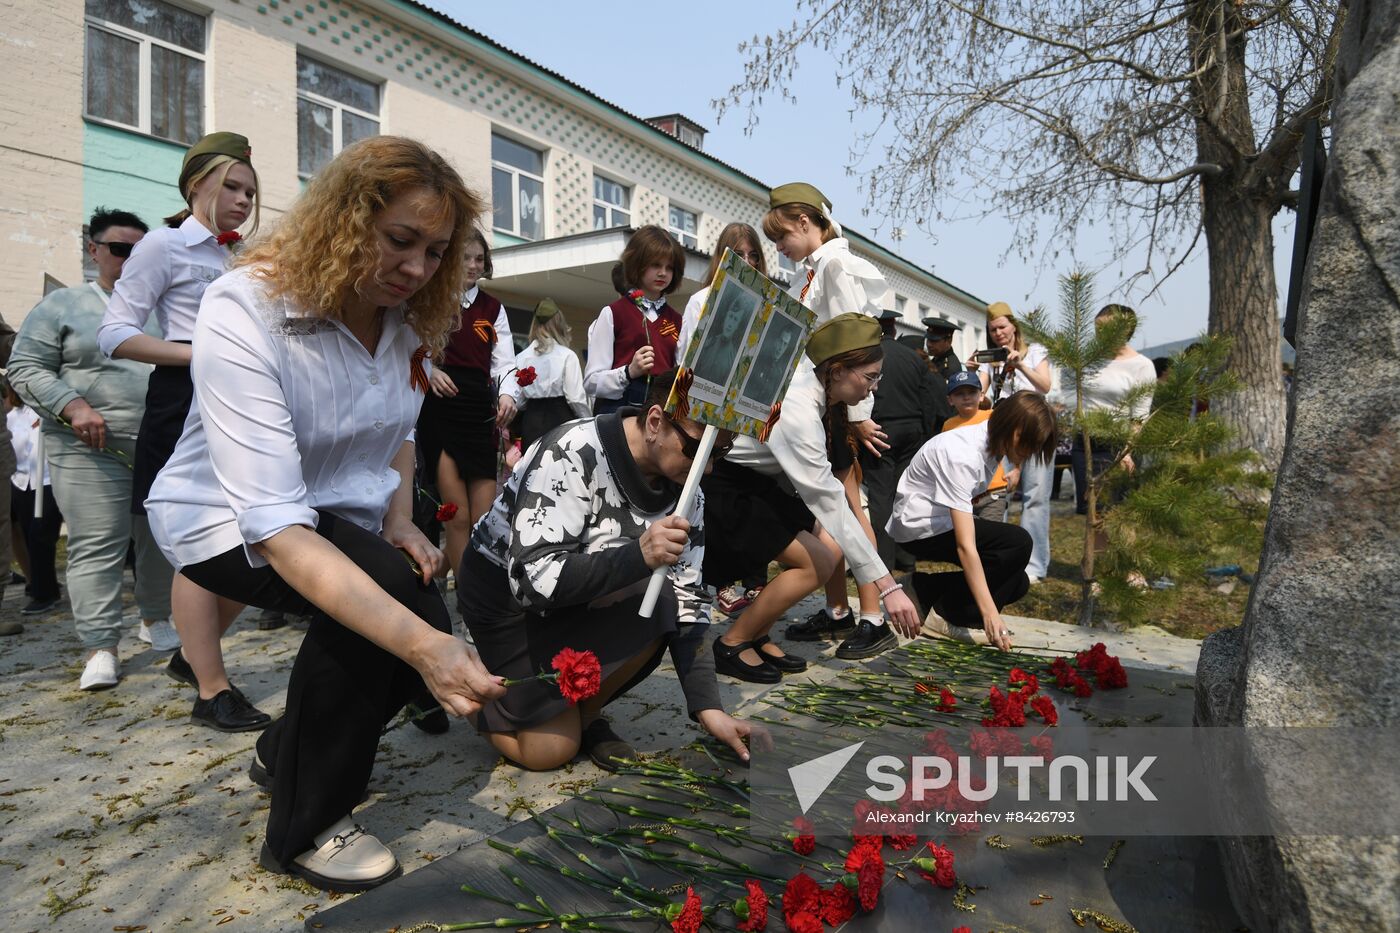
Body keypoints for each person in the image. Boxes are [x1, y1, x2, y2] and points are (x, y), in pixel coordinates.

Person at [144, 136, 504, 893]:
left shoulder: (406, 320)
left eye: (438, 251)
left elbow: (398, 432)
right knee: (389, 617)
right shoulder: (245, 308)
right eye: (399, 240)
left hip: (339, 512)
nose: (417, 269)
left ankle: (285, 747)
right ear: (342, 220)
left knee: (402, 588)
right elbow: (275, 526)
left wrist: (402, 519)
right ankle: (306, 824)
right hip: (222, 516)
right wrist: (426, 647)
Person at [461, 370, 760, 771]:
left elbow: (690, 601)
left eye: (718, 455)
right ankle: (460, 689)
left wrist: (707, 707)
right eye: (697, 450)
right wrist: (638, 555)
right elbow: (530, 582)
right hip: (506, 605)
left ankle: (588, 716)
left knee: (662, 600)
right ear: (655, 421)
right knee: (549, 753)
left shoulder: (689, 495)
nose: (705, 470)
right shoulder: (572, 450)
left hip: (579, 600)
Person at [96, 131, 269, 731]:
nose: (245, 201)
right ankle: (210, 689)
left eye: (251, 190)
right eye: (233, 187)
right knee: (200, 542)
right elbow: (115, 334)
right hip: (183, 396)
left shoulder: (244, 258)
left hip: (242, 401)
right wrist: (197, 356)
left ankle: (190, 657)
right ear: (197, 184)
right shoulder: (163, 246)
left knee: (257, 533)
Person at [705, 314, 921, 681]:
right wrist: (888, 586)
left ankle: (757, 634)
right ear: (837, 371)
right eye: (870, 377)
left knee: (826, 553)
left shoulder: (817, 386)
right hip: (729, 486)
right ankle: (732, 644)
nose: (875, 387)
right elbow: (829, 500)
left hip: (761, 483)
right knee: (815, 563)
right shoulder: (797, 409)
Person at [7, 207, 176, 675]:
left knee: (159, 539)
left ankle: (155, 617)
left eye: (141, 250)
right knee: (98, 542)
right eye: (120, 249)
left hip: (160, 442)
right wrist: (72, 405)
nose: (130, 258)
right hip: (88, 445)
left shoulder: (166, 307)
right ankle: (101, 646)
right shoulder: (64, 305)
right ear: (94, 250)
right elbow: (24, 367)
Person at [764, 183, 894, 648]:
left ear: (805, 222)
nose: (779, 248)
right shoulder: (818, 267)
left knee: (849, 508)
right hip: (824, 400)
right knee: (825, 513)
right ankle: (838, 609)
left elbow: (854, 343)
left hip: (839, 402)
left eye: (782, 236)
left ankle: (875, 616)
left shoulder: (836, 265)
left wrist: (857, 414)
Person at [889, 391, 1058, 651]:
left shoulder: (993, 443)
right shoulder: (962, 454)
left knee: (1017, 583)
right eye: (1028, 444)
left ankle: (922, 589)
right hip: (921, 526)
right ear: (1012, 428)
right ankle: (948, 617)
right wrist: (990, 613)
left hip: (941, 520)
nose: (1028, 454)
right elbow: (965, 546)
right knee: (1017, 542)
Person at [677, 222, 769, 617]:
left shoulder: (768, 303)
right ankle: (714, 584)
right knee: (713, 501)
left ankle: (755, 585)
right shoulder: (702, 300)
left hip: (751, 418)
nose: (747, 262)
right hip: (709, 414)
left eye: (754, 256)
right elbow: (686, 361)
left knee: (754, 500)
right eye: (738, 255)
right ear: (721, 258)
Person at [417, 229, 519, 581]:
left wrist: (508, 394)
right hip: (441, 407)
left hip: (479, 411)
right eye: (465, 258)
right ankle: (467, 595)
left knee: (484, 517)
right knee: (456, 515)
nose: (473, 265)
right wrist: (428, 370)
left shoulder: (494, 308)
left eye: (479, 259)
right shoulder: (430, 297)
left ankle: (480, 586)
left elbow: (504, 363)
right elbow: (406, 348)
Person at [860, 309, 948, 573]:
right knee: (905, 496)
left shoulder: (869, 357)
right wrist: (924, 433)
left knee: (881, 498)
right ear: (893, 329)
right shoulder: (913, 358)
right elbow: (929, 399)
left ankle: (883, 563)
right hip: (911, 432)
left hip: (880, 431)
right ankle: (907, 558)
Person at [975, 302, 1054, 583]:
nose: (998, 333)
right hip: (1004, 431)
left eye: (1002, 327)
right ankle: (1004, 559)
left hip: (1034, 429)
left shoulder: (1035, 353)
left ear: (1014, 326)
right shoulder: (991, 359)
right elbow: (981, 396)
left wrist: (1019, 364)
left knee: (1036, 496)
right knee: (998, 495)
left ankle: (1034, 565)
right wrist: (973, 377)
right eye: (992, 329)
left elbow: (1045, 386)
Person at [584, 226, 685, 414]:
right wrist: (629, 372)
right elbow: (591, 382)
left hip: (660, 413)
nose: (663, 273)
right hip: (619, 413)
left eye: (669, 267)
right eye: (656, 264)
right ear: (637, 263)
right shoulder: (613, 313)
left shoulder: (678, 321)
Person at [1068, 304, 1157, 516]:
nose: (1099, 335)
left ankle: (1120, 550)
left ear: (1124, 330)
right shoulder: (1089, 360)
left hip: (1116, 447)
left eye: (1105, 329)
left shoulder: (1141, 366)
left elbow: (1139, 415)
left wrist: (1126, 452)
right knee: (1093, 514)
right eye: (1097, 329)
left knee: (1114, 514)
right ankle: (1096, 550)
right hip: (1084, 444)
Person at [5, 388, 62, 616]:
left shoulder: (49, 411)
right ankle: (43, 585)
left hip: (49, 479)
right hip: (22, 482)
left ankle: (45, 593)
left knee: (41, 534)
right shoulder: (11, 417)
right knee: (30, 536)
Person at [512, 298, 590, 452]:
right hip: (561, 421)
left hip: (531, 421)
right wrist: (588, 423)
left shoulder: (521, 357)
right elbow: (575, 399)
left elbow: (519, 402)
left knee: (532, 470)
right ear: (558, 323)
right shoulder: (567, 355)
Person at [941, 371, 1011, 518]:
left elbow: (1011, 443)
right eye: (959, 393)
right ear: (950, 400)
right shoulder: (948, 425)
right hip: (964, 495)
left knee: (992, 536)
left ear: (981, 395)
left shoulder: (992, 417)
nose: (966, 397)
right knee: (971, 537)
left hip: (993, 490)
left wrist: (1016, 468)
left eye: (972, 392)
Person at [921, 316, 964, 383]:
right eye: (928, 339)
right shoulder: (936, 359)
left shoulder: (950, 368)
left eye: (934, 341)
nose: (929, 344)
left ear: (948, 341)